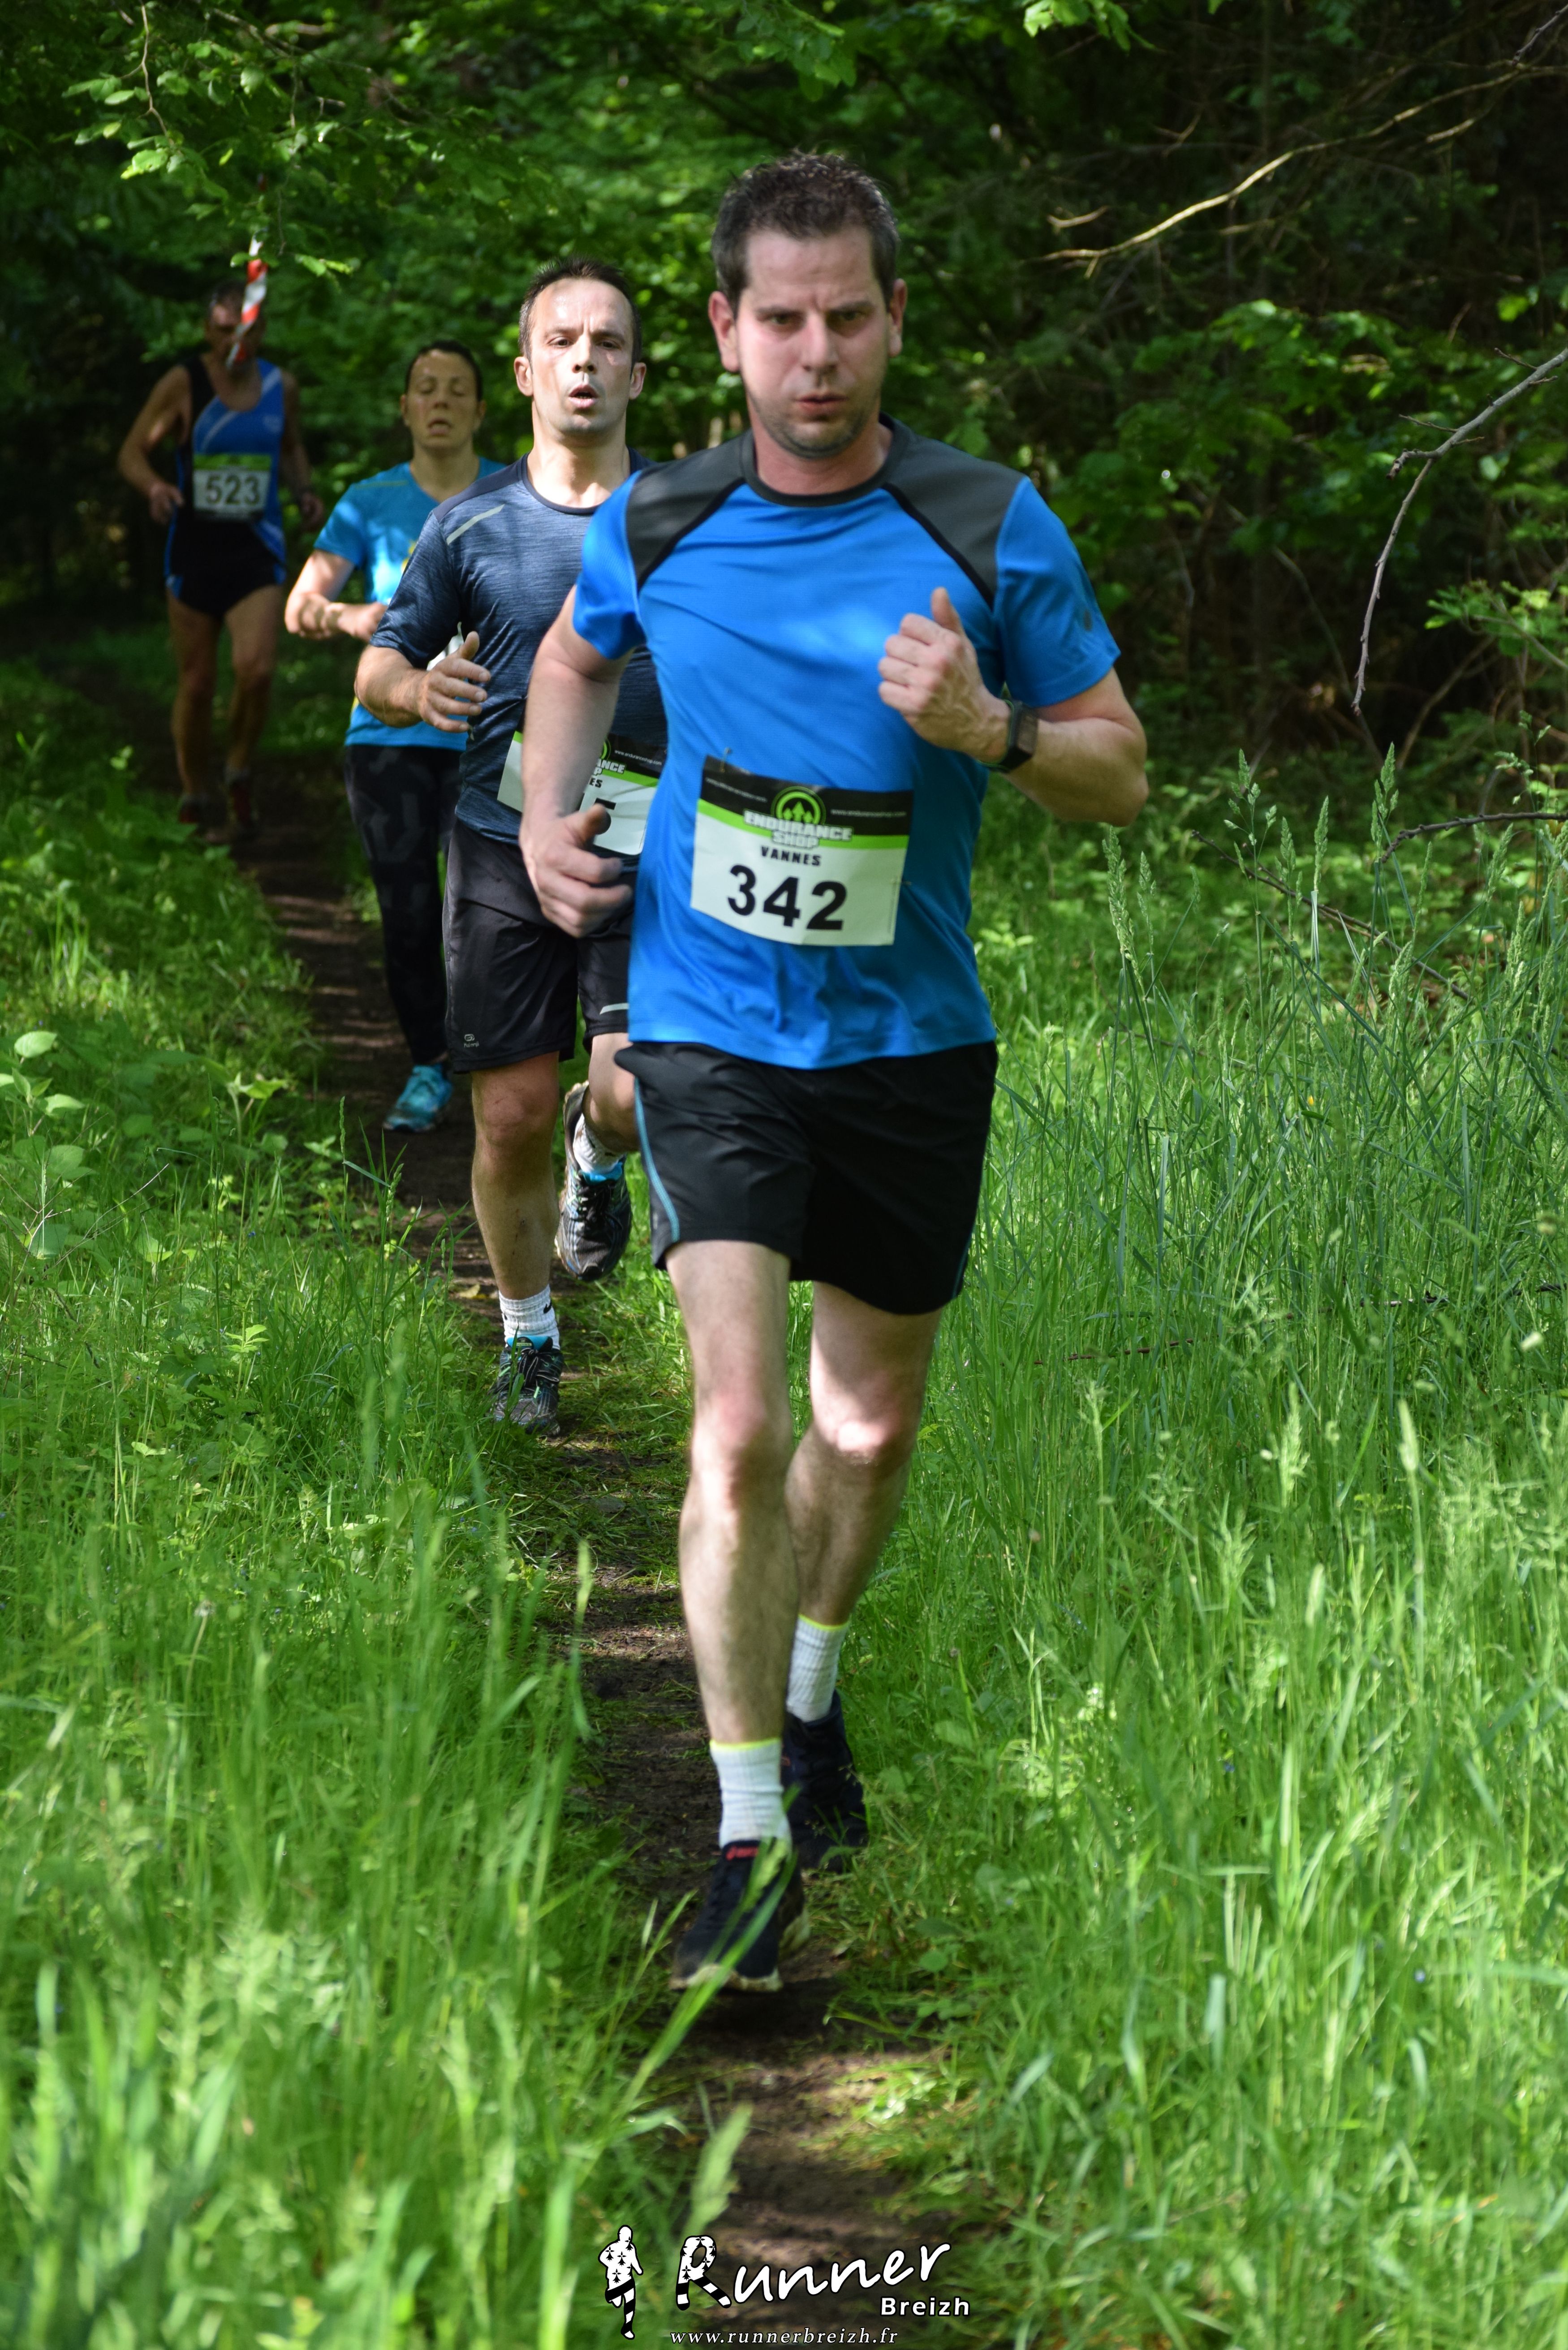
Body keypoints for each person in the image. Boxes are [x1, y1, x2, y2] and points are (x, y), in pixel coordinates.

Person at [517, 154, 1149, 1992]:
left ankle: (806, 1693)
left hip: (909, 1043)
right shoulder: (662, 516)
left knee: (863, 1435)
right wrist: (548, 822)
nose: (816, 354)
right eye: (781, 320)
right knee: (736, 1425)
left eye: (847, 318)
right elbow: (571, 661)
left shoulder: (987, 523)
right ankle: (744, 1841)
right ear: (725, 330)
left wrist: (991, 726)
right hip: (708, 1027)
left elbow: (1117, 771)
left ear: (892, 319)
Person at [354, 259, 665, 1434]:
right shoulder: (469, 524)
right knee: (507, 1116)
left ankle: (600, 1154)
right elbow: (379, 665)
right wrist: (413, 688)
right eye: (563, 343)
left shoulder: (688, 519)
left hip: (646, 845)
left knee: (628, 1093)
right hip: (498, 843)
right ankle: (529, 1336)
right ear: (528, 373)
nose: (585, 361)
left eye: (608, 343)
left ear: (637, 374)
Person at [284, 343, 505, 1133]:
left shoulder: (515, 494)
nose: (440, 401)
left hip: (492, 736)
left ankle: (496, 1065)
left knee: (489, 912)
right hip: (388, 738)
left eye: (457, 390)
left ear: (481, 409)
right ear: (405, 408)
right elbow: (300, 607)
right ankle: (428, 1065)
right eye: (425, 389)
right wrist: (352, 617)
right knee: (410, 911)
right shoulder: (368, 502)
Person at [117, 276, 323, 837]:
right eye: (225, 330)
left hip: (256, 550)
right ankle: (193, 792)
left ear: (261, 331)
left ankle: (237, 768)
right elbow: (132, 452)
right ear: (208, 331)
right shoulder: (183, 383)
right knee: (197, 683)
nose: (237, 341)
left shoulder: (281, 386)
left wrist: (304, 490)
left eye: (247, 330)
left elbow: (291, 448)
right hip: (194, 550)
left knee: (256, 671)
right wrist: (155, 487)